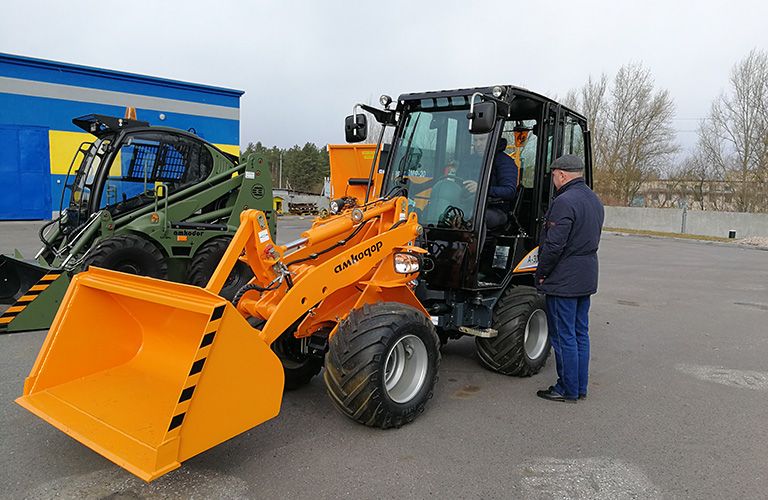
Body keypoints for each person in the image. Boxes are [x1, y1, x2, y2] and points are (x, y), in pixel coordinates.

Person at [535, 154, 604, 403]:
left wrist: (542, 273)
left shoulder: (564, 201)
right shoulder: (594, 200)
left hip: (564, 278)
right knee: (579, 333)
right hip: (586, 275)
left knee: (563, 335)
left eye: (553, 175)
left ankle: (566, 388)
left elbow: (554, 244)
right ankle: (580, 386)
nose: (553, 180)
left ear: (561, 174)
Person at [463, 134, 518, 230]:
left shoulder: (505, 162)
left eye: (482, 139)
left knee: (476, 216)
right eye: (475, 140)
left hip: (496, 209)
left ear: (493, 140)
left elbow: (509, 191)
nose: (478, 144)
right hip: (467, 204)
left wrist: (481, 189)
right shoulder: (469, 161)